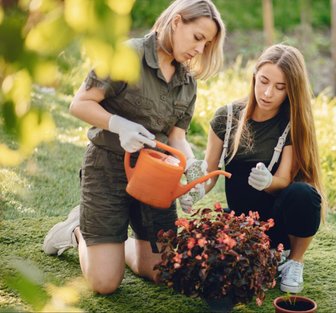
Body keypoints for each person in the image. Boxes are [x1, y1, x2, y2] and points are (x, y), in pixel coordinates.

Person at [42, 0, 225, 295]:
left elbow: (176, 138)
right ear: (177, 22)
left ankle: (110, 244)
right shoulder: (128, 55)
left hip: (155, 178)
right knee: (105, 283)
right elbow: (80, 103)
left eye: (206, 44)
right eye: (197, 38)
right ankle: (77, 231)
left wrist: (192, 171)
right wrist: (118, 125)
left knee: (163, 272)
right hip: (108, 169)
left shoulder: (187, 82)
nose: (200, 50)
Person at [202, 44, 326, 294]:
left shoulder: (291, 124)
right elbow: (209, 173)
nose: (268, 93)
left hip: (277, 220)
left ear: (291, 91)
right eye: (263, 81)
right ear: (254, 77)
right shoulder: (226, 117)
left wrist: (268, 182)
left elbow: (283, 179)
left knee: (304, 194)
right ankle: (262, 253)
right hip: (242, 219)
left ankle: (293, 260)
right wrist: (194, 190)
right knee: (211, 252)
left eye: (280, 88)